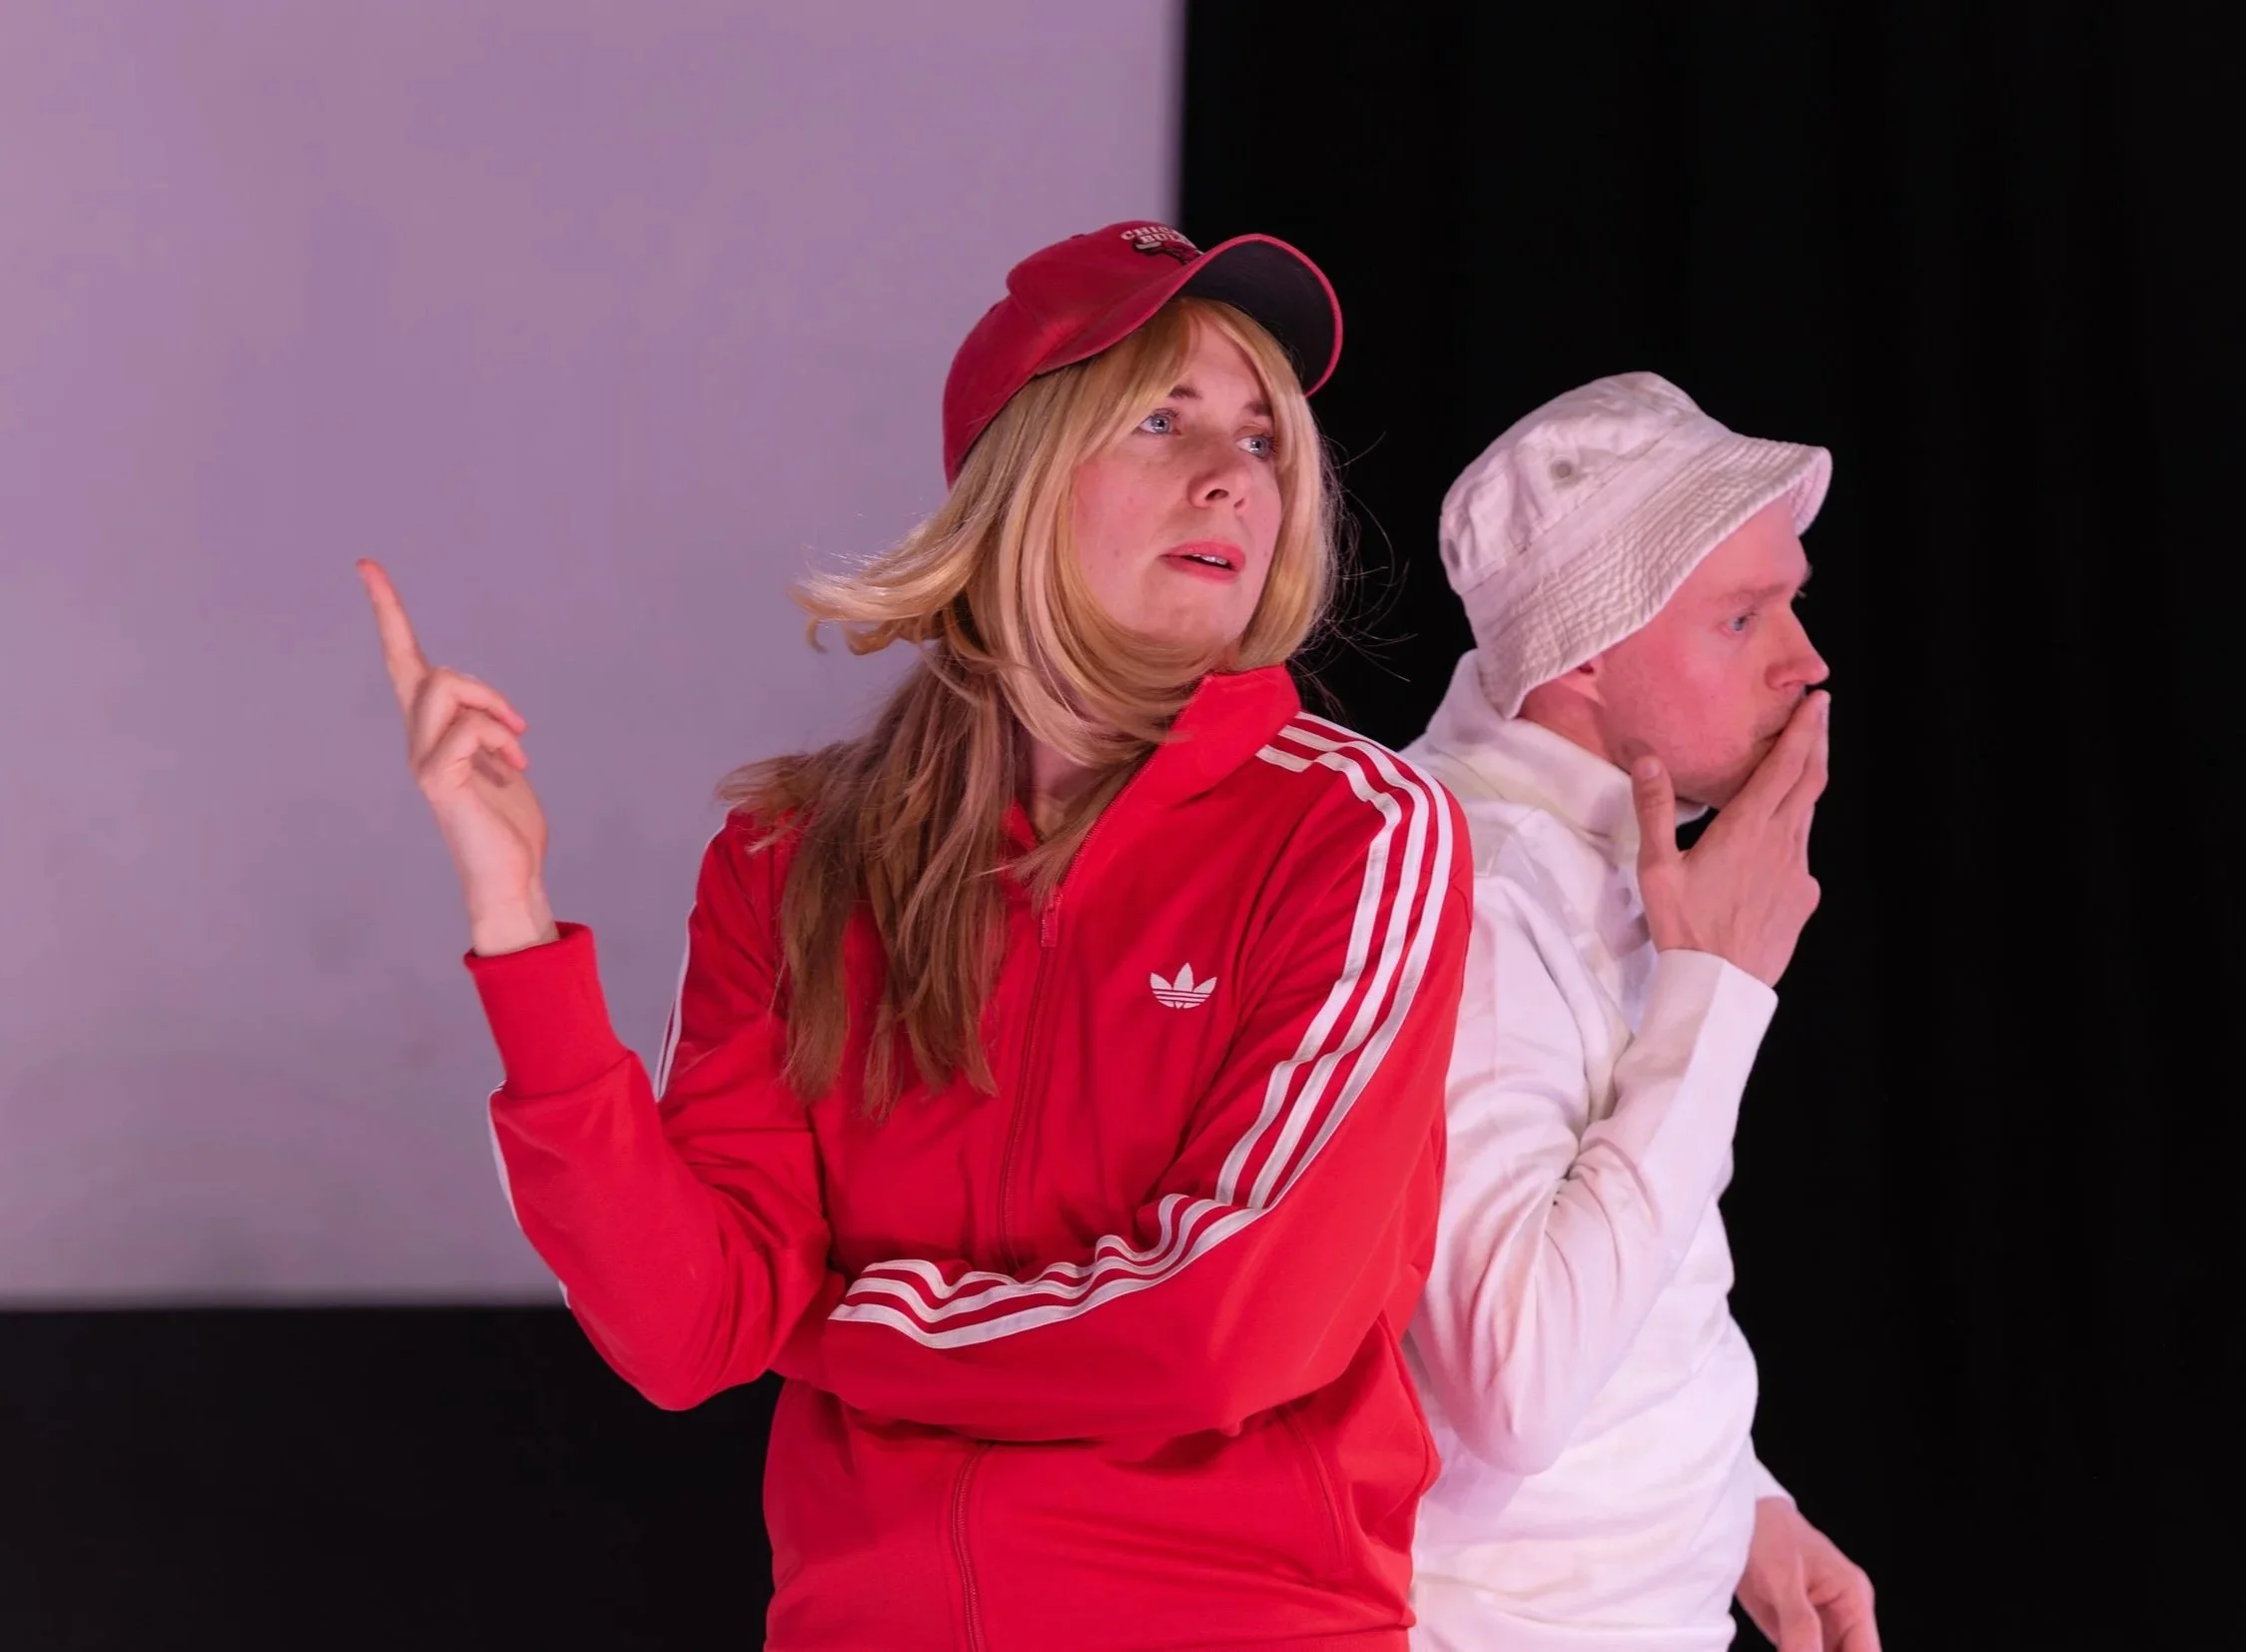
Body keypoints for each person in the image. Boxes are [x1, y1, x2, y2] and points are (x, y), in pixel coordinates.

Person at [358, 221, 1473, 1651]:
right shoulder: (790, 858)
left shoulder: (1359, 833)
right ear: (1014, 478)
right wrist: (515, 922)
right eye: (1162, 417)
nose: (1231, 477)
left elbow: (1223, 1329)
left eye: (1261, 438)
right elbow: (690, 1326)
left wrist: (834, 1323)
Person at [1398, 374, 1878, 1651]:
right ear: (1583, 652)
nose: (1806, 661)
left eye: (1791, 602)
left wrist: (1739, 1499)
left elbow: (1627, 1264)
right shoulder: (1475, 896)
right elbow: (1516, 1383)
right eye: (1741, 617)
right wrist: (1719, 995)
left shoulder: (1592, 847)